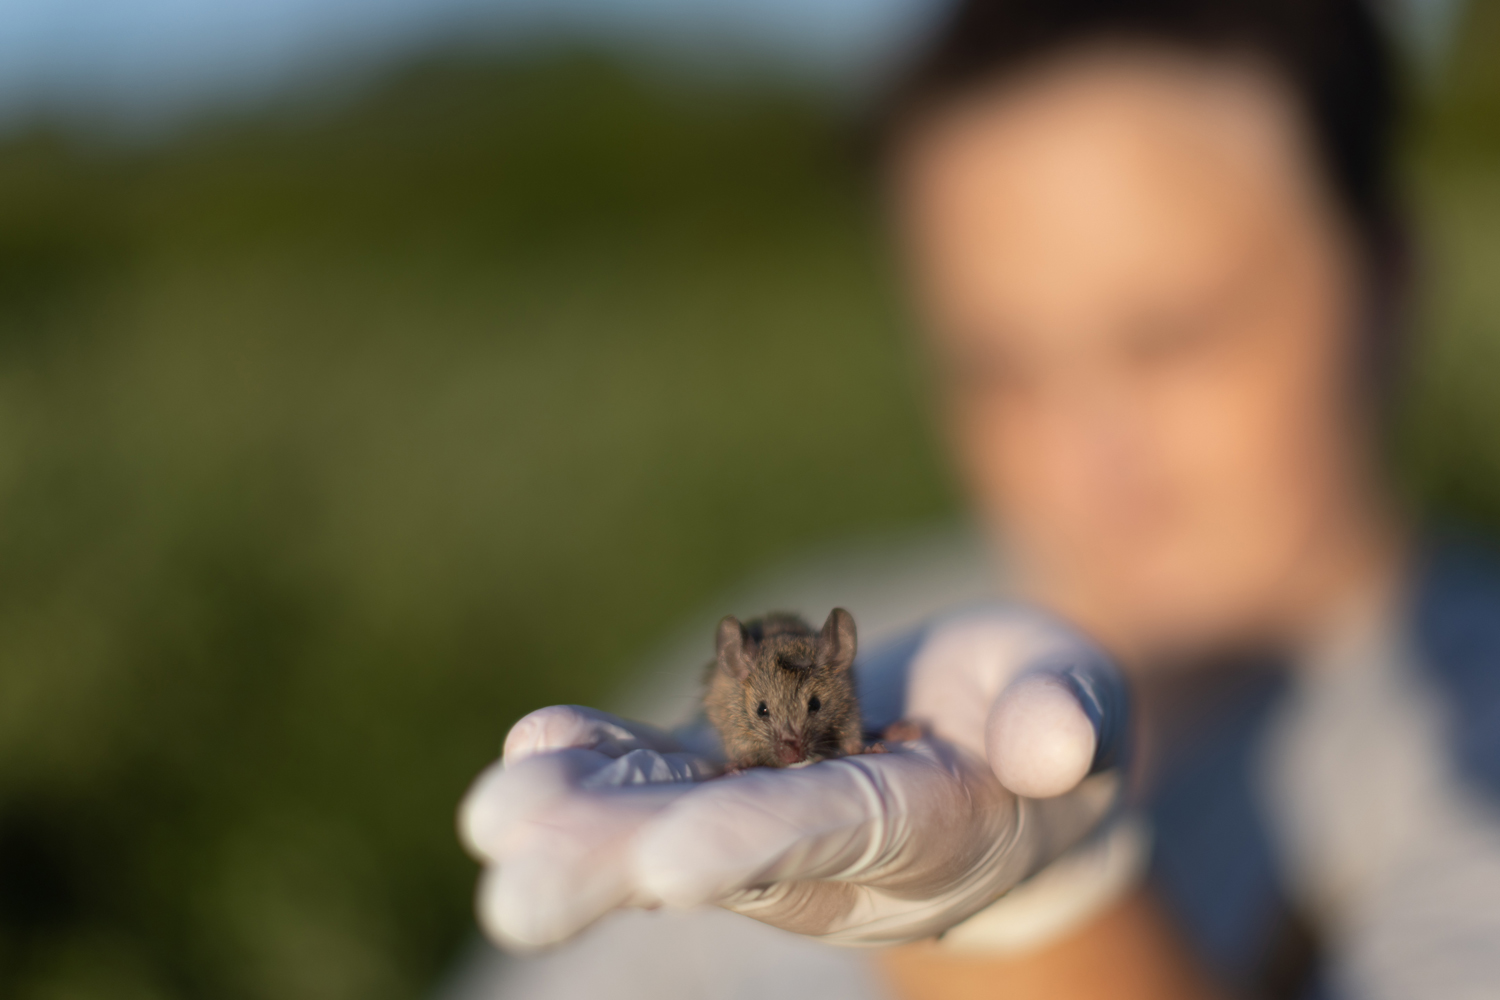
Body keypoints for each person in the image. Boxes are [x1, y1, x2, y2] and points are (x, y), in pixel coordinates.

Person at [457, 0, 1500, 997]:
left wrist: (1028, 910)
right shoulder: (809, 620)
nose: (1087, 455)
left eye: (1172, 338)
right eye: (1000, 367)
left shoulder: (1460, 729)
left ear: (1388, 283)